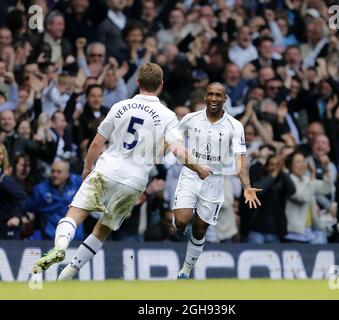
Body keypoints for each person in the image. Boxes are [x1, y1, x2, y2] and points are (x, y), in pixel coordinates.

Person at [31, 62, 211, 280]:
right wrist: (200, 168)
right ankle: (69, 273)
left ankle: (60, 246)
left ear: (137, 83)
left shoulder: (120, 106)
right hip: (133, 181)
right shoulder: (167, 116)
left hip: (106, 169)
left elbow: (98, 142)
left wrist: (88, 168)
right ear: (161, 85)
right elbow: (178, 151)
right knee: (103, 229)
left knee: (75, 213)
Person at [173, 82, 262, 279]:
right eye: (211, 94)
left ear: (225, 99)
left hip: (214, 182)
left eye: (218, 95)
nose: (214, 98)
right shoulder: (190, 119)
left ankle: (186, 271)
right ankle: (178, 224)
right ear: (205, 97)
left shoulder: (235, 126)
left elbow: (240, 158)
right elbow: (173, 141)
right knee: (181, 220)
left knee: (200, 229)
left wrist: (247, 186)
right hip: (191, 175)